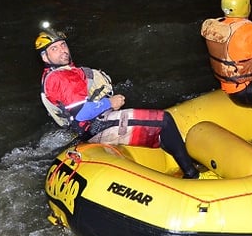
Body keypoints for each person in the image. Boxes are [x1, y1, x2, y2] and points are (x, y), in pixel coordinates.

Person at [36, 26, 201, 179]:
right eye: (54, 49)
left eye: (63, 45)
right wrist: (110, 103)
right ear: (45, 56)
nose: (62, 50)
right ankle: (192, 174)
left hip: (92, 124)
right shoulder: (61, 78)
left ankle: (184, 161)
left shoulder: (55, 74)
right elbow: (81, 113)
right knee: (164, 120)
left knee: (160, 126)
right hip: (95, 126)